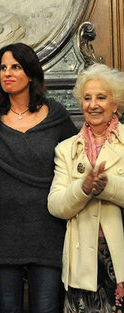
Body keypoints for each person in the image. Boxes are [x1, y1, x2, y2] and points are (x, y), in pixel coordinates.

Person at [0, 43, 78, 312]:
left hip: (48, 230)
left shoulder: (56, 116)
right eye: (3, 68)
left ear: (31, 73)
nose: (7, 73)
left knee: (46, 308)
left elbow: (76, 163)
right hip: (2, 232)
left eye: (16, 67)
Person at [48, 63, 124, 312]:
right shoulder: (66, 149)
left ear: (116, 103)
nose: (93, 104)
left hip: (119, 256)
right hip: (82, 264)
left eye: (101, 97)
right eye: (87, 98)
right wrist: (83, 188)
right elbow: (56, 205)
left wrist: (106, 185)